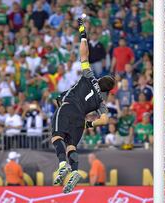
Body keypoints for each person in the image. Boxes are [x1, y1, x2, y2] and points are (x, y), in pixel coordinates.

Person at [51, 17, 115, 194]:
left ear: (101, 79)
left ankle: (62, 164)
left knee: (57, 136)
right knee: (71, 144)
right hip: (80, 118)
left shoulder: (89, 76)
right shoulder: (102, 102)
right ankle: (75, 171)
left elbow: (84, 54)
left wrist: (83, 34)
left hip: (68, 107)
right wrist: (89, 124)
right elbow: (105, 120)